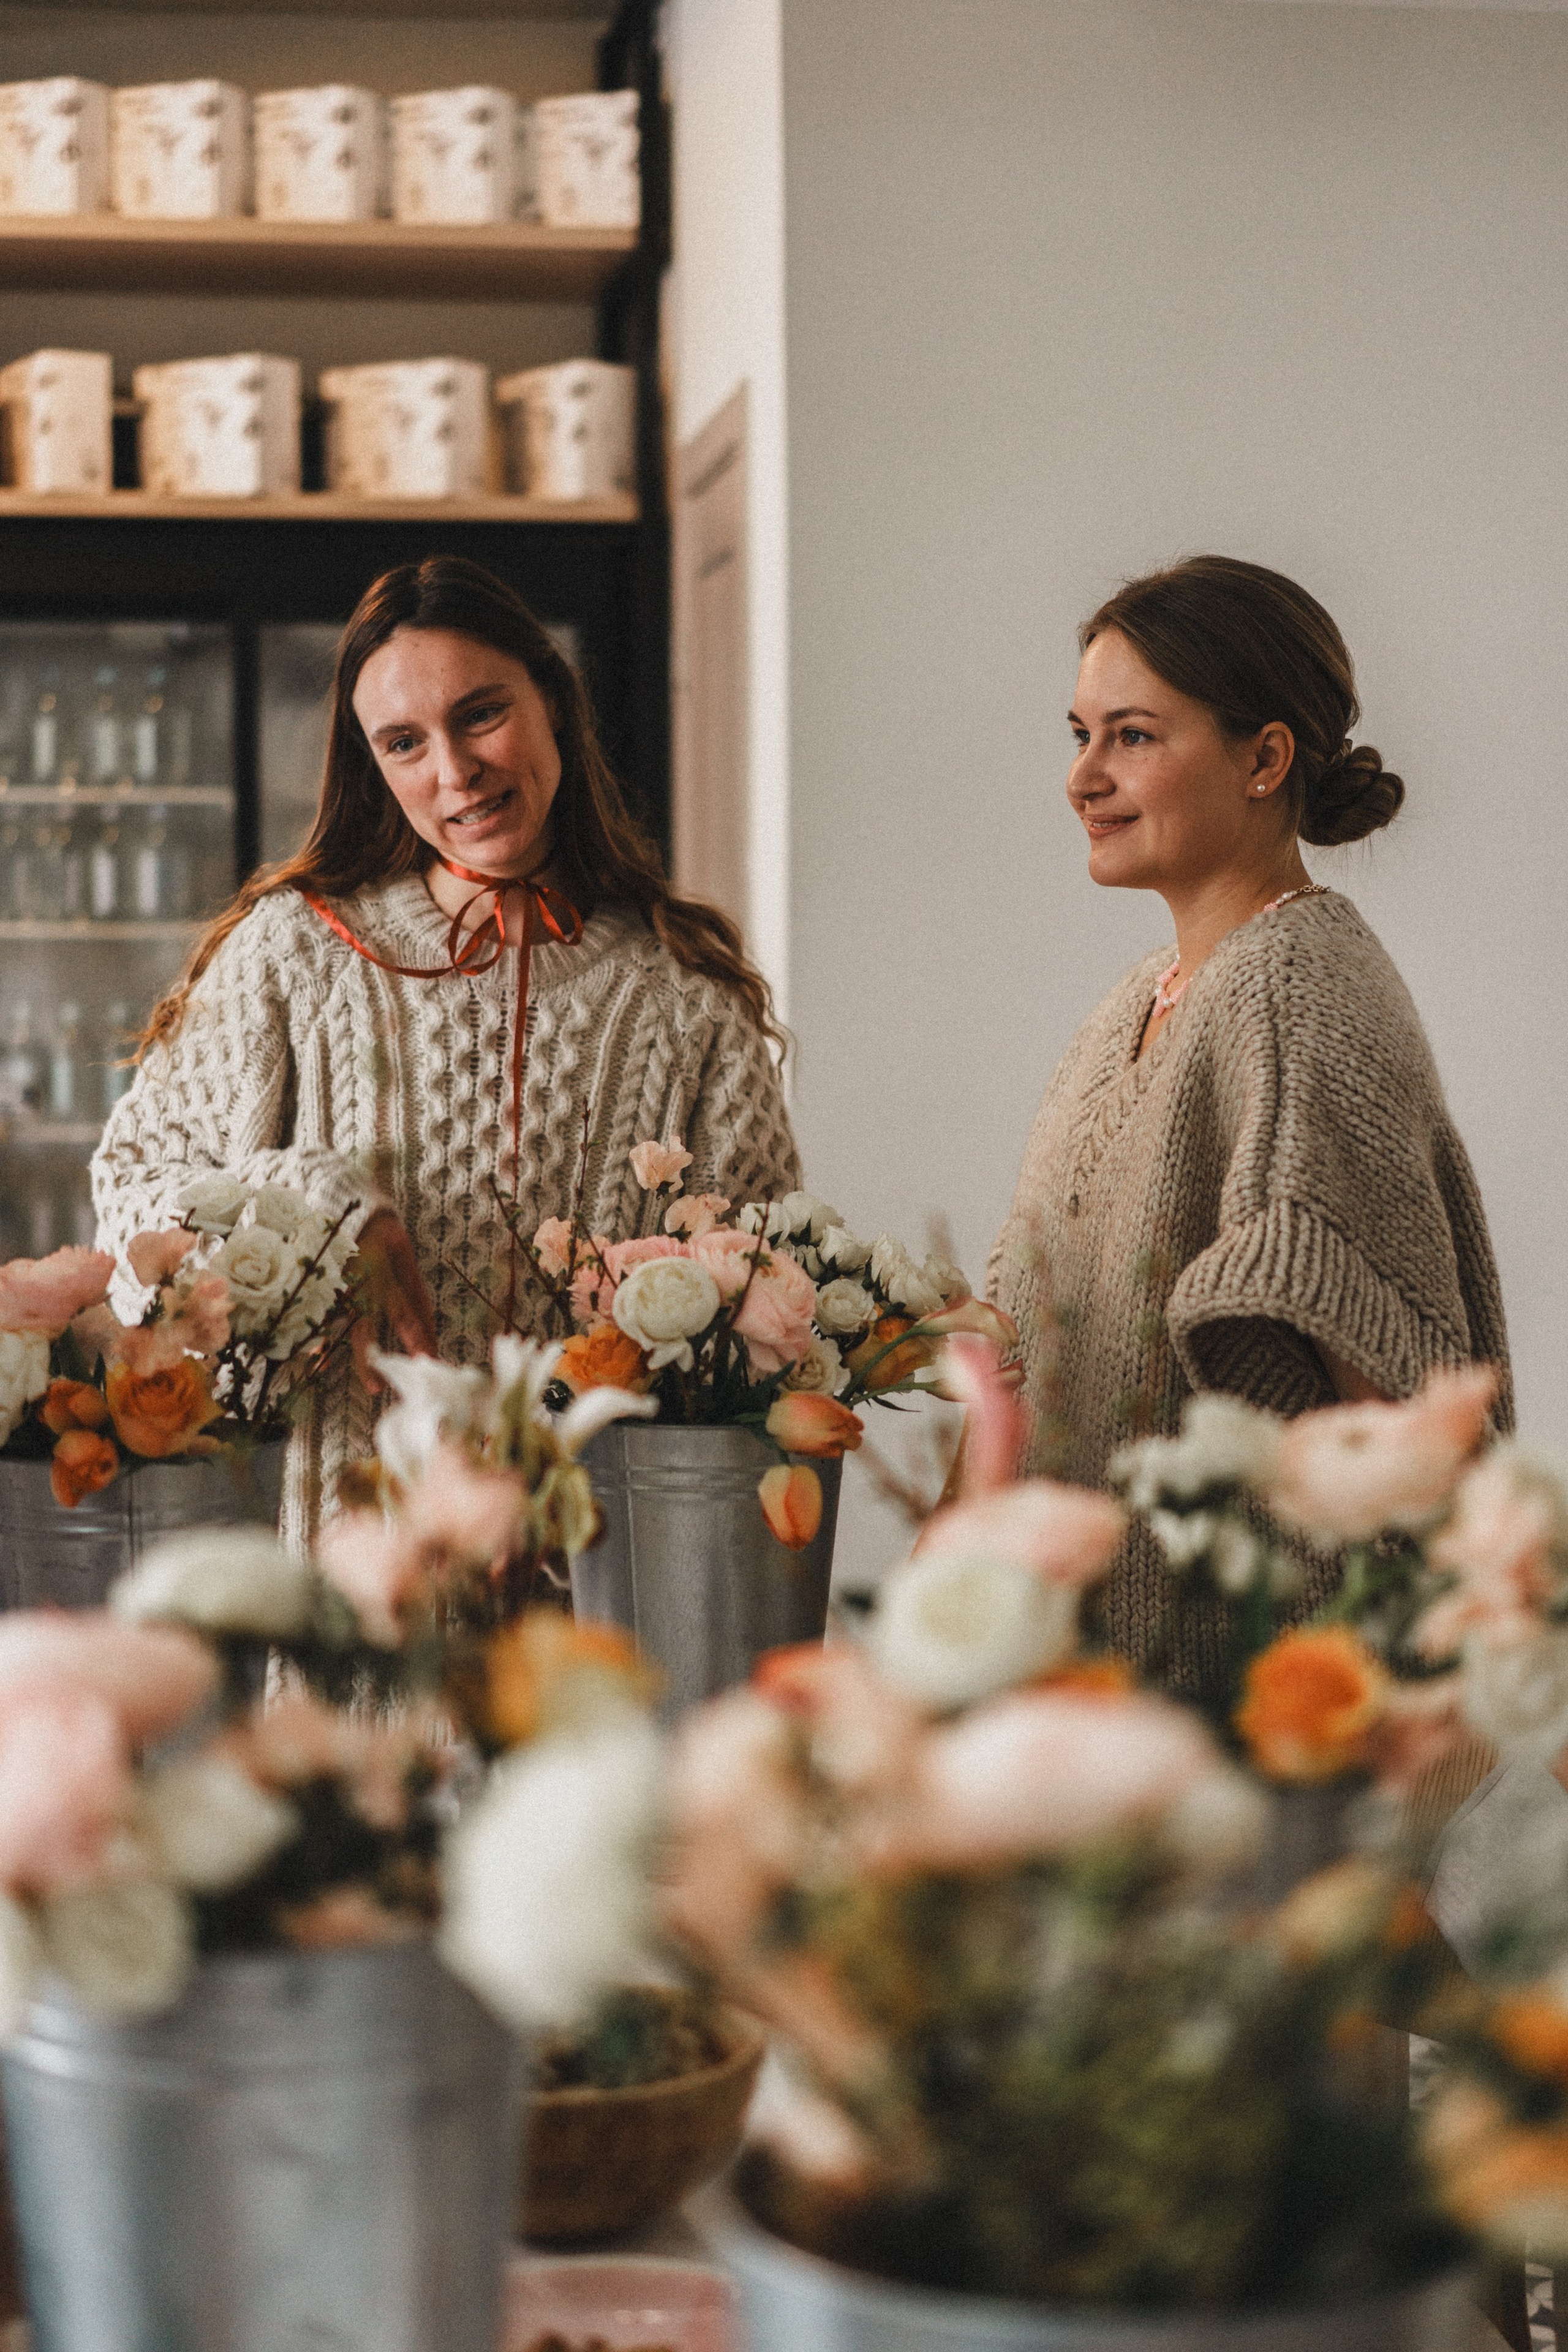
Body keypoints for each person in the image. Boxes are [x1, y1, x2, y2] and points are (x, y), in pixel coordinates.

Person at [93, 556, 801, 1545]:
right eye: (403, 742)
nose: (454, 772)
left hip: (597, 1592)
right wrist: (328, 1211)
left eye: (480, 715)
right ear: (373, 764)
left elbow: (767, 1323)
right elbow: (131, 1196)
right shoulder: (294, 951)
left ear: (552, 699)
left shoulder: (689, 995)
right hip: (347, 1582)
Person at [988, 555, 1510, 1691]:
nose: (1084, 777)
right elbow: (1032, 1344)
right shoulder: (1139, 1001)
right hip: (1107, 1689)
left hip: (1255, 1704)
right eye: (1078, 734)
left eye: (1132, 735)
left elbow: (1390, 1401)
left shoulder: (1291, 990)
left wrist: (1523, 1667)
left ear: (1265, 757)